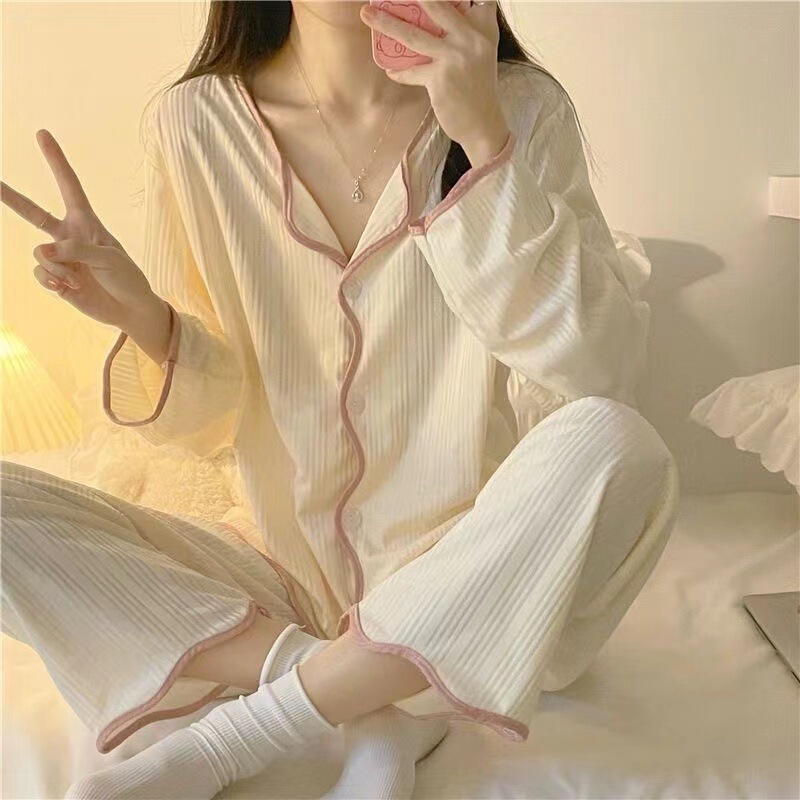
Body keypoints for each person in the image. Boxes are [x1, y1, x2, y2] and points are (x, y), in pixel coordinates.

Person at [0, 1, 681, 798]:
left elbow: (595, 369)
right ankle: (370, 692)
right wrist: (145, 320)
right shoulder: (194, 123)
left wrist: (483, 142)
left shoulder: (522, 106)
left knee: (615, 438)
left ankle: (243, 736)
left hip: (473, 576)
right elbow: (212, 423)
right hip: (277, 571)